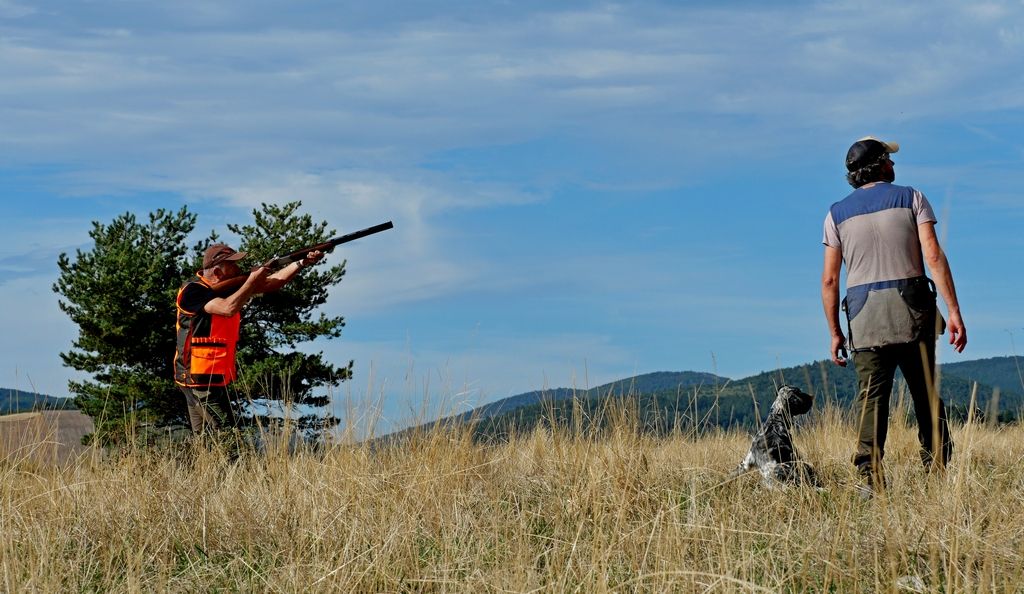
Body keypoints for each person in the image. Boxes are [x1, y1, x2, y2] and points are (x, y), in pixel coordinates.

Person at [821, 136, 967, 495]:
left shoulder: (835, 214)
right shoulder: (911, 197)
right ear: (882, 164)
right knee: (926, 393)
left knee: (871, 398)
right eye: (890, 158)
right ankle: (937, 472)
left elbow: (829, 279)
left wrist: (835, 332)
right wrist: (953, 312)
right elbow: (933, 257)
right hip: (912, 314)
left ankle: (869, 479)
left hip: (864, 320)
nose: (894, 164)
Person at [174, 243, 323, 435]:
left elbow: (273, 282)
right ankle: (237, 464)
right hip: (198, 378)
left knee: (206, 440)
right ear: (218, 271)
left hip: (211, 376)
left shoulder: (224, 288)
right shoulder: (192, 291)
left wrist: (302, 262)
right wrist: (251, 280)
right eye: (233, 265)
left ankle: (202, 465)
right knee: (230, 435)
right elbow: (227, 308)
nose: (239, 269)